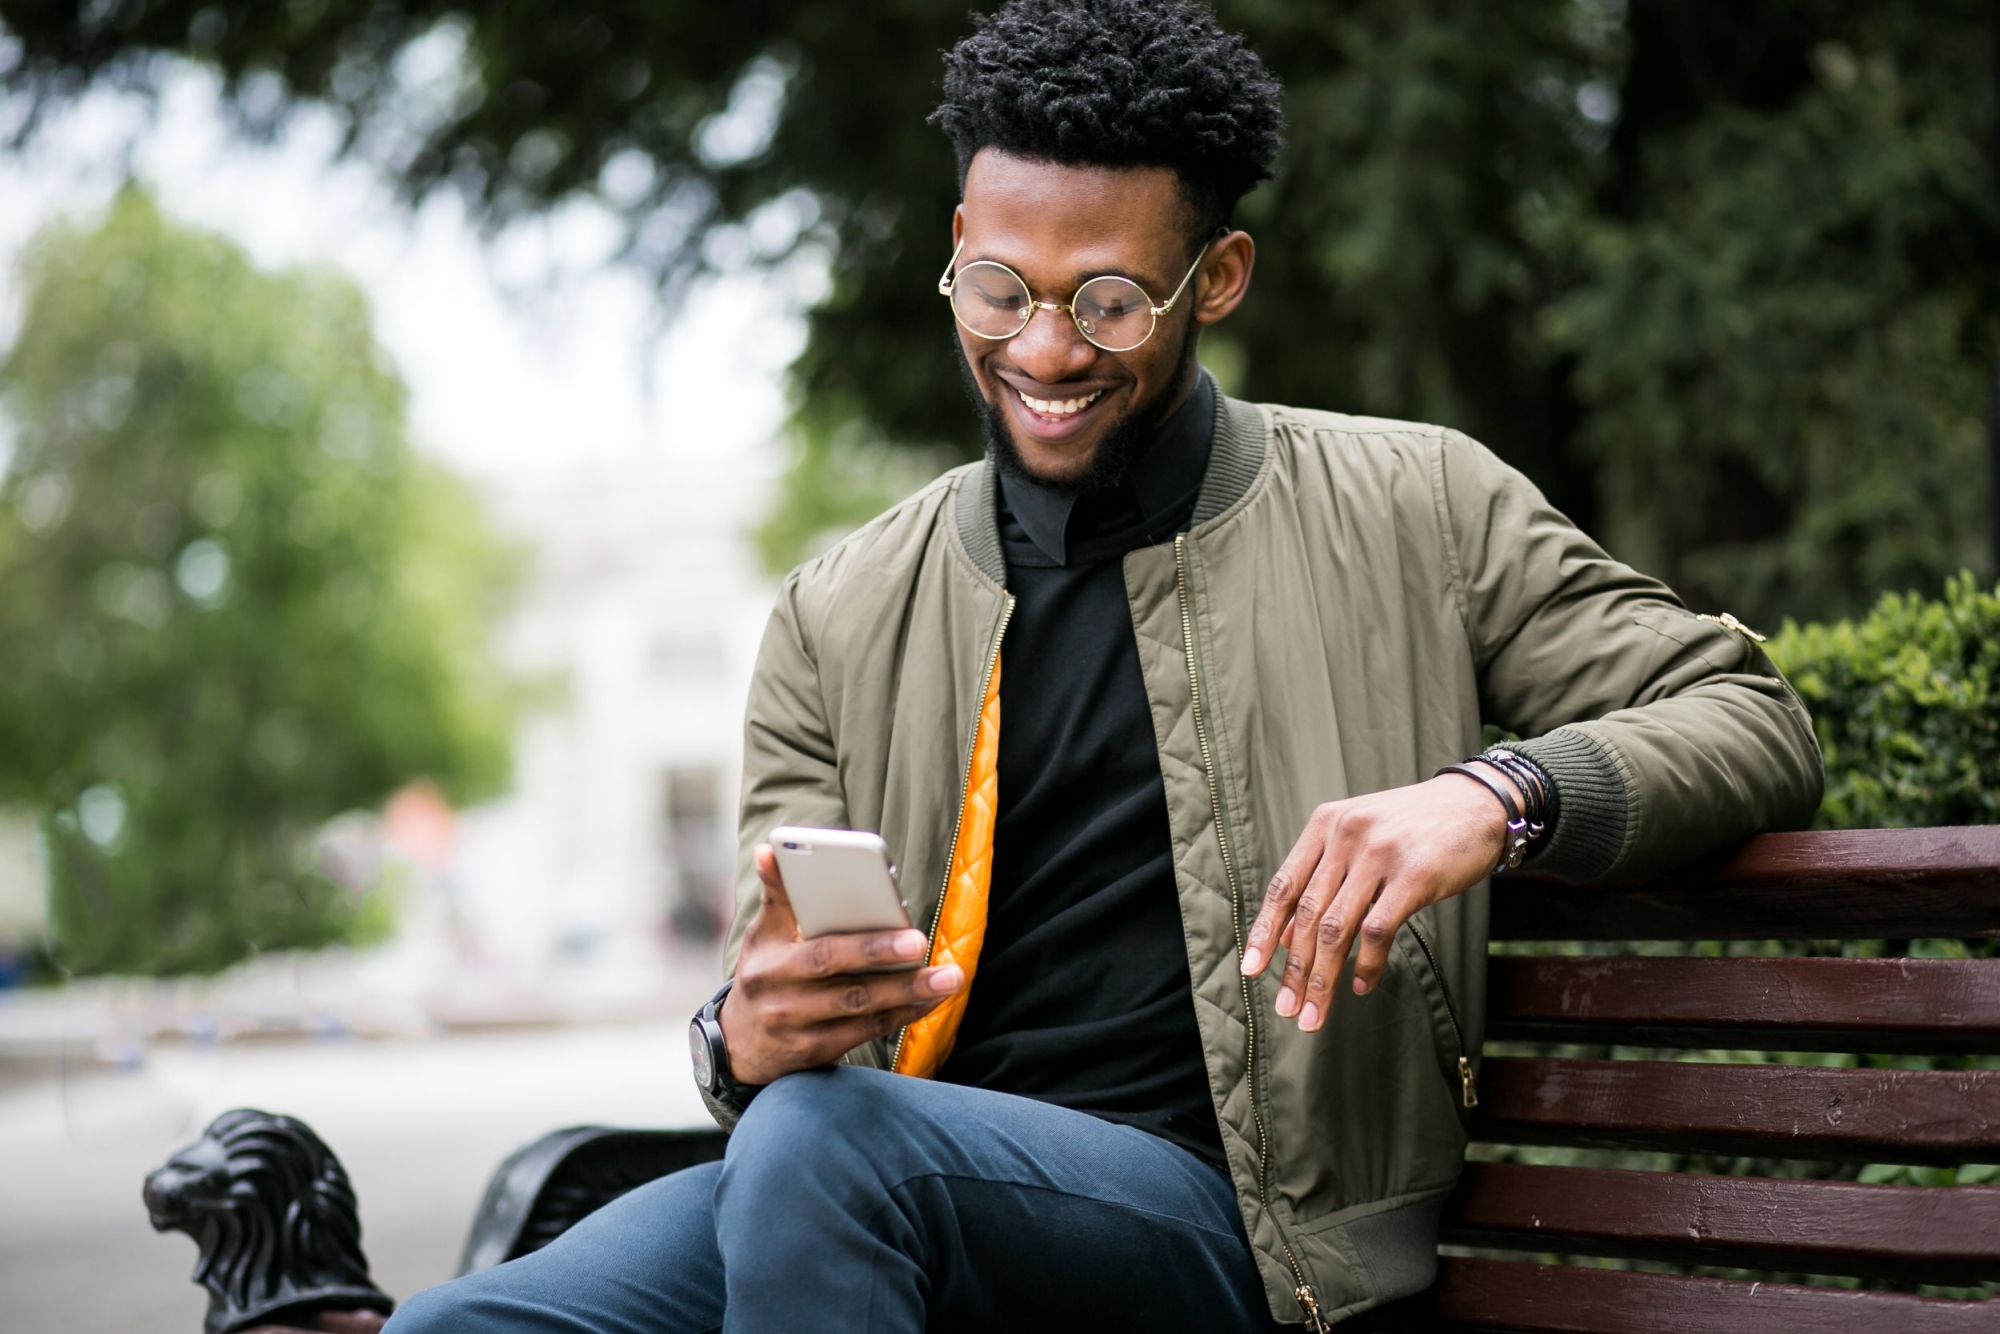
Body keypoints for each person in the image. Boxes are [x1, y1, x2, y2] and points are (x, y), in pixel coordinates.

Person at [387, 2, 1822, 1330]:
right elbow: (768, 1016)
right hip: (870, 1174)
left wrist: (1494, 793)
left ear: (1221, 278)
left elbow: (1750, 716)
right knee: (461, 1321)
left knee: (833, 1149)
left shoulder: (1421, 507)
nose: (1047, 350)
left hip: (1235, 1231)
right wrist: (741, 1033)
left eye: (1113, 301)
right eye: (1000, 289)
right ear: (957, 242)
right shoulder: (839, 606)